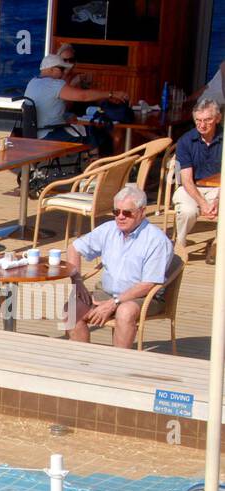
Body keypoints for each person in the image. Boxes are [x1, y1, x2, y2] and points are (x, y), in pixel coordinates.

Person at [66, 184, 173, 348]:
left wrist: (114, 302)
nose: (120, 217)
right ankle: (82, 360)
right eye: (116, 212)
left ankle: (119, 363)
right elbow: (74, 248)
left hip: (143, 297)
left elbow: (148, 284)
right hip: (106, 292)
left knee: (125, 312)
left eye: (127, 213)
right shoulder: (109, 229)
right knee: (71, 308)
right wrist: (77, 283)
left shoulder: (156, 240)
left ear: (142, 212)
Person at [23, 53, 125, 148]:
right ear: (52, 69)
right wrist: (111, 94)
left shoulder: (33, 82)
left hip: (36, 134)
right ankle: (99, 163)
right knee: (101, 134)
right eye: (62, 69)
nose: (64, 73)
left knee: (88, 131)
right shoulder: (54, 84)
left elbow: (48, 107)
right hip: (52, 134)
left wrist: (67, 116)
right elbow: (83, 96)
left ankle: (93, 159)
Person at [171, 97, 221, 261]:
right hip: (191, 187)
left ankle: (218, 242)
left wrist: (218, 200)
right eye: (198, 120)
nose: (202, 125)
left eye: (207, 120)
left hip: (219, 188)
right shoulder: (186, 141)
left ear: (218, 119)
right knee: (188, 211)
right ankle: (180, 243)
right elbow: (186, 180)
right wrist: (203, 203)